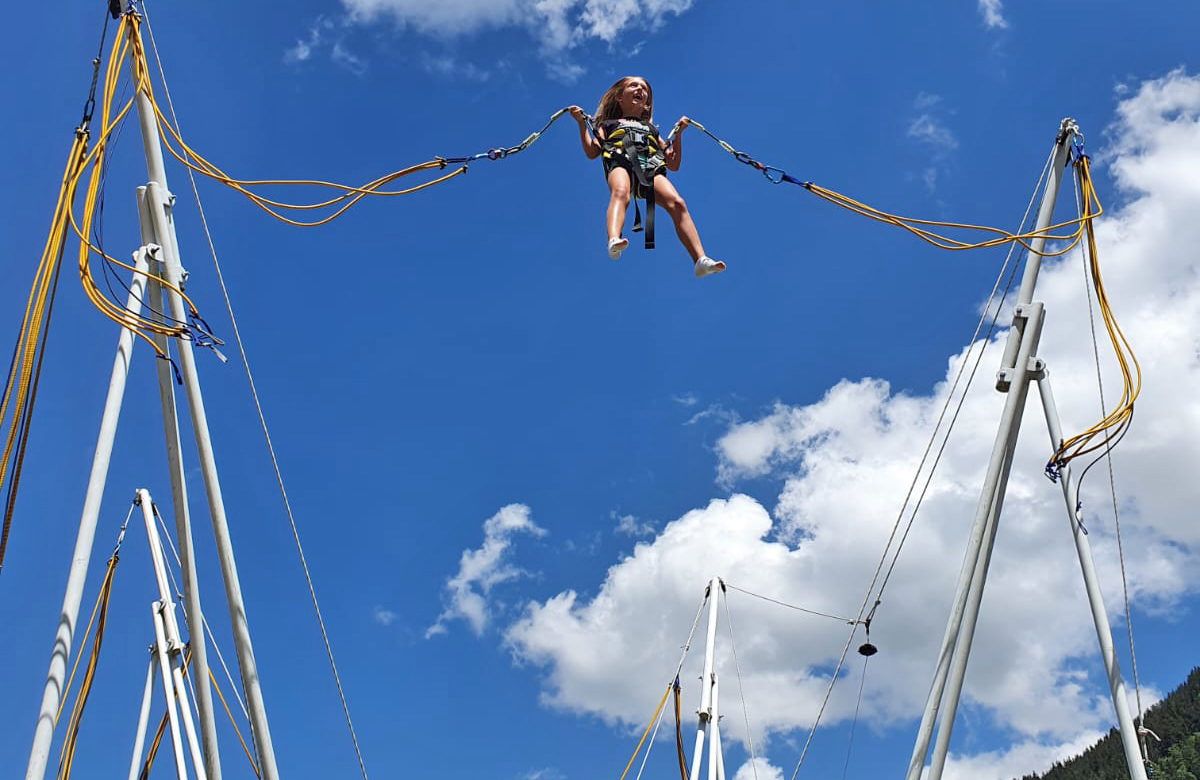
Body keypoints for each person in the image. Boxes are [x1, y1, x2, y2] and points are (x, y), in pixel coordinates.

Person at [568, 76, 726, 278]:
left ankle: (700, 260)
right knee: (620, 192)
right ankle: (614, 239)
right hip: (620, 160)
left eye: (644, 89)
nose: (640, 89)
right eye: (633, 85)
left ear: (647, 104)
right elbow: (592, 152)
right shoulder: (607, 124)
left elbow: (673, 164)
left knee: (678, 203)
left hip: (650, 167)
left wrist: (678, 136)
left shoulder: (652, 130)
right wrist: (581, 125)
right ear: (619, 97)